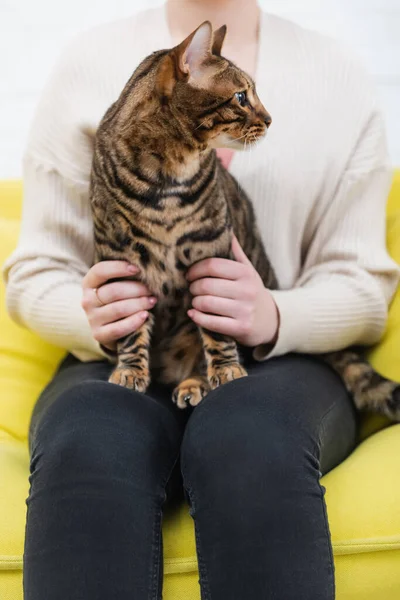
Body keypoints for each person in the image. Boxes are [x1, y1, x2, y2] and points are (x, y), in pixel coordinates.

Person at [3, 0, 399, 598]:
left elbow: (365, 286)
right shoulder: (86, 63)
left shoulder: (337, 71)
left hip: (272, 356)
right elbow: (35, 271)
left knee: (247, 433)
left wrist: (273, 315)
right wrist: (94, 316)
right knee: (90, 437)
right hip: (124, 354)